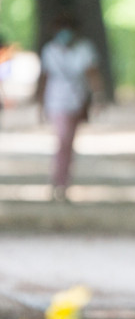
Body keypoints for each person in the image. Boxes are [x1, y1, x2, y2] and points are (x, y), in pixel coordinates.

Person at [34, 14, 105, 202]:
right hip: (56, 101)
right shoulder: (50, 51)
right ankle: (59, 181)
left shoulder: (83, 50)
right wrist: (40, 103)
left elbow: (92, 74)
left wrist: (98, 97)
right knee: (63, 141)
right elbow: (44, 77)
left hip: (76, 101)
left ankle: (62, 181)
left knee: (68, 143)